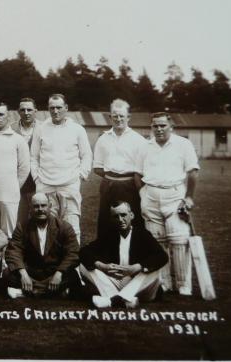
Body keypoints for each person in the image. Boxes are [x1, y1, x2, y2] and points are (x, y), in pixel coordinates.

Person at [134, 112, 200, 295]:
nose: (159, 129)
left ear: (171, 127)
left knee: (179, 240)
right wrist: (143, 194)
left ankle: (183, 284)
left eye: (163, 125)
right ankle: (163, 283)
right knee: (157, 241)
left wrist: (188, 198)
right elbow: (137, 174)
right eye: (155, 126)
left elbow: (193, 172)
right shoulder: (145, 146)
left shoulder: (183, 144)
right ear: (151, 127)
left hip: (174, 196)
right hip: (151, 195)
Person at [79, 201, 168, 308]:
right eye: (116, 216)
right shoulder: (109, 235)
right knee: (84, 266)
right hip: (116, 281)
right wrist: (103, 267)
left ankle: (113, 300)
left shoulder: (142, 234)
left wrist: (137, 267)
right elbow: (84, 252)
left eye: (123, 215)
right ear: (112, 219)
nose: (120, 220)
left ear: (131, 215)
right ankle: (123, 300)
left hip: (139, 285)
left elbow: (162, 256)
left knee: (153, 270)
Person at [30, 93, 91, 242]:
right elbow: (33, 157)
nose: (55, 111)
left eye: (58, 107)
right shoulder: (40, 129)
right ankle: (49, 264)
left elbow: (87, 155)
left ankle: (72, 265)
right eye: (52, 108)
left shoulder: (77, 129)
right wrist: (37, 179)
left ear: (66, 108)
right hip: (45, 186)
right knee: (46, 229)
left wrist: (80, 175)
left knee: (71, 228)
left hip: (69, 185)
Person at [5, 192, 79, 298]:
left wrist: (59, 273)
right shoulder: (22, 227)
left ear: (49, 206)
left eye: (43, 205)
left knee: (72, 275)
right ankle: (54, 293)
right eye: (36, 206)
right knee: (8, 273)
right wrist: (23, 274)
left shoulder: (64, 227)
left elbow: (73, 253)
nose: (40, 209)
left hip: (54, 271)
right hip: (32, 271)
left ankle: (30, 292)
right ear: (30, 208)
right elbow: (13, 251)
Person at [92, 98, 147, 239]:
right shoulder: (103, 139)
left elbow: (143, 169)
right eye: (115, 116)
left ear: (128, 117)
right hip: (108, 185)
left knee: (131, 221)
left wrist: (125, 180)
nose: (118, 119)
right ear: (110, 117)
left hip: (130, 186)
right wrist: (113, 178)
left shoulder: (138, 140)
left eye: (121, 116)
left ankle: (131, 256)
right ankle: (108, 256)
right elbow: (97, 168)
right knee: (107, 221)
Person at [0, 102, 30, 237]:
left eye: (1, 114)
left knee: (9, 232)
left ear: (8, 116)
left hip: (9, 194)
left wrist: (14, 187)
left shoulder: (18, 140)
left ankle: (7, 258)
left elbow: (24, 168)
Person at [10, 97, 41, 229]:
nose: (26, 113)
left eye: (29, 109)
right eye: (23, 110)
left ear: (35, 111)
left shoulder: (44, 128)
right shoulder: (10, 129)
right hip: (17, 181)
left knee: (39, 217)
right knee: (18, 219)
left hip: (38, 181)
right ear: (18, 111)